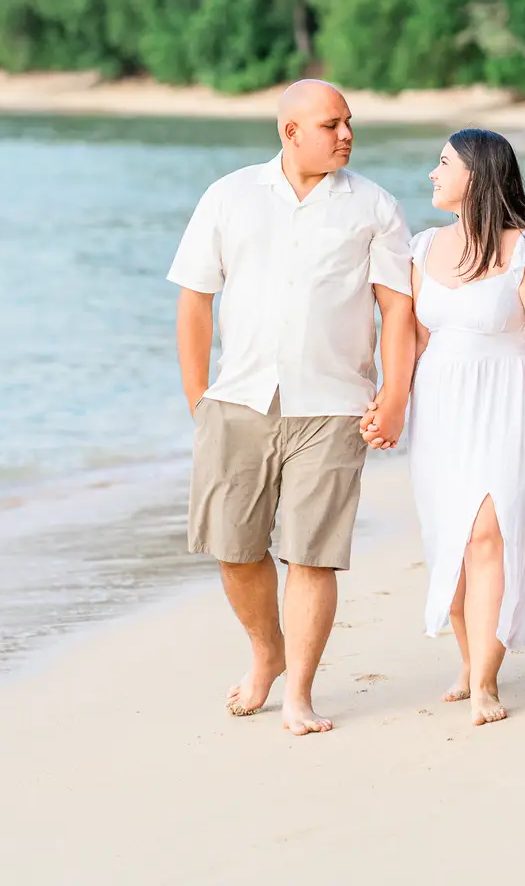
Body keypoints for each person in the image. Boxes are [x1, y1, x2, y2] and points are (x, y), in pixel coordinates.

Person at [168, 78, 415, 736]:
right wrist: (199, 398)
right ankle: (265, 651)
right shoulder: (228, 197)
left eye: (348, 122)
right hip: (237, 401)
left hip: (333, 406)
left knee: (310, 555)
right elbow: (194, 300)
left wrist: (394, 395)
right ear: (291, 132)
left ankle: (299, 693)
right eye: (331, 124)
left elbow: (398, 309)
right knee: (234, 549)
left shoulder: (374, 208)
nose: (346, 135)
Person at [396, 127, 525, 725]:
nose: (432, 174)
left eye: (443, 163)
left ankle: (487, 683)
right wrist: (388, 400)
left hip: (509, 401)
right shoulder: (421, 249)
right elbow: (414, 338)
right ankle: (470, 663)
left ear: (477, 174)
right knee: (454, 540)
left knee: (488, 535)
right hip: (439, 405)